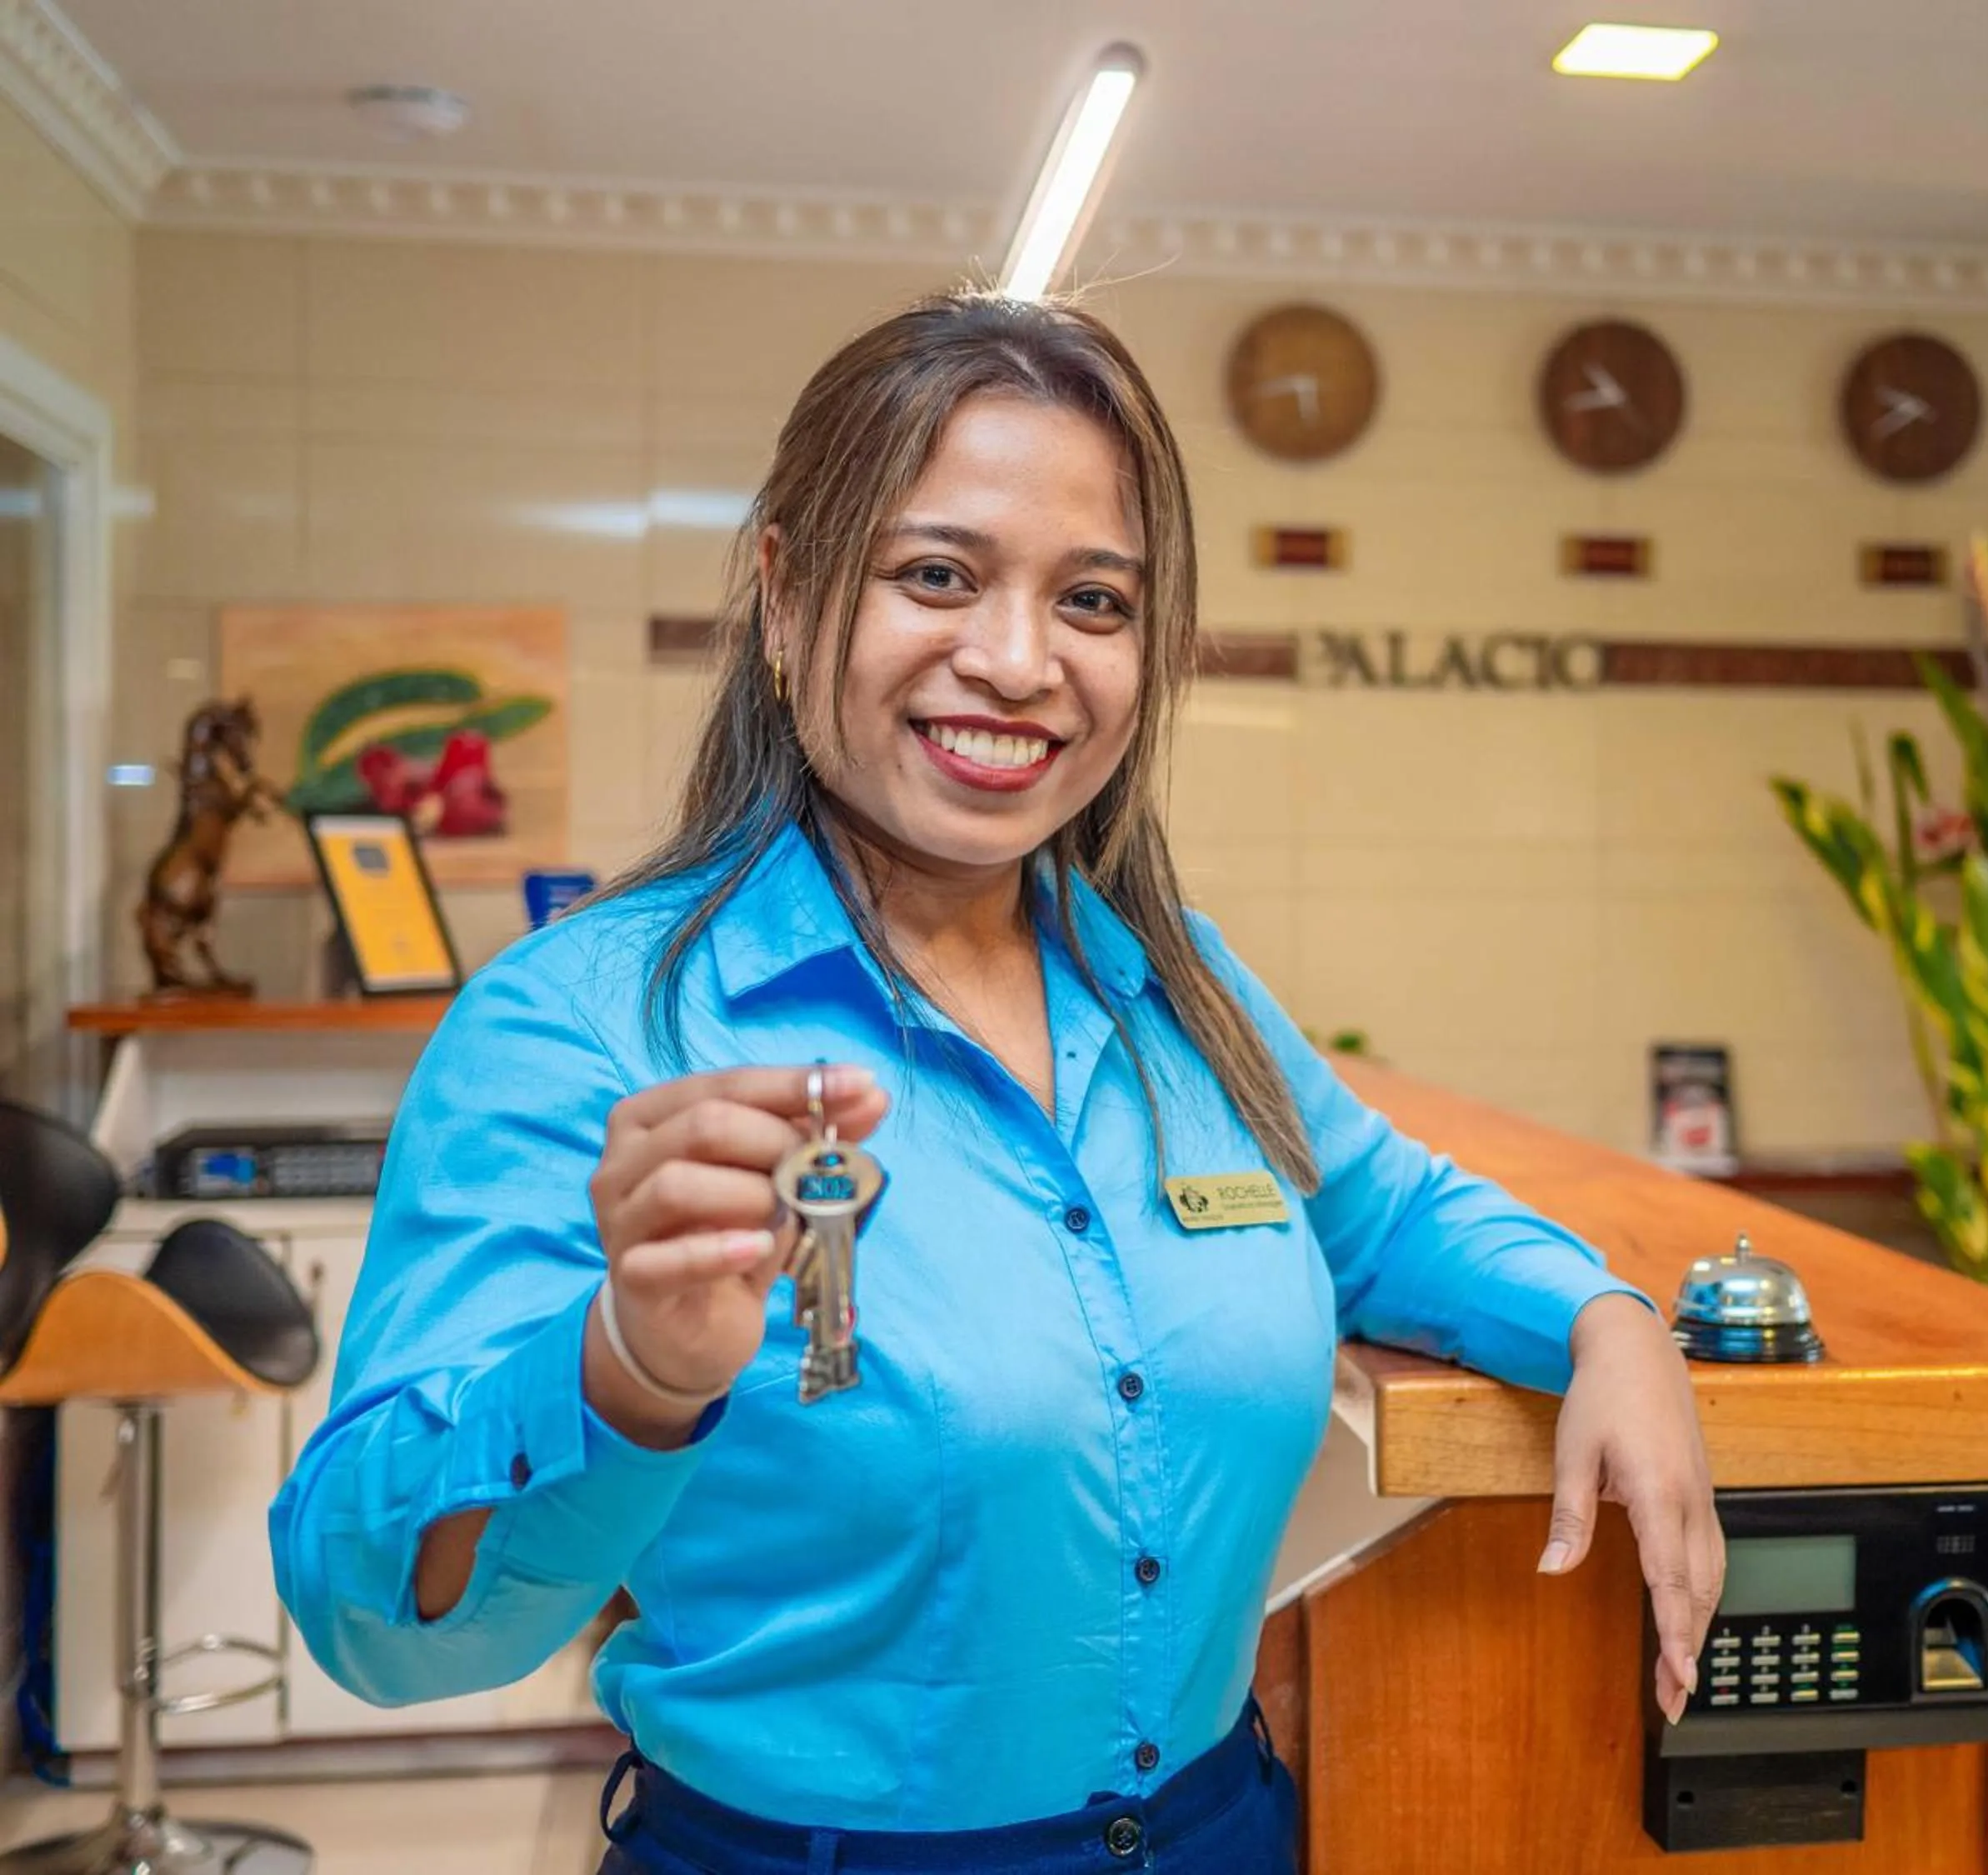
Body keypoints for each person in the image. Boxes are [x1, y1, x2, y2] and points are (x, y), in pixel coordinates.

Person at [270, 291, 1724, 1875]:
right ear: (784, 591)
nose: (1021, 662)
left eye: (1093, 600)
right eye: (938, 575)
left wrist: (1606, 1318)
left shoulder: (1169, 981)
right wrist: (623, 1371)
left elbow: (1384, 1216)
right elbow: (373, 1619)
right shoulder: (586, 1023)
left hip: (1228, 1830)